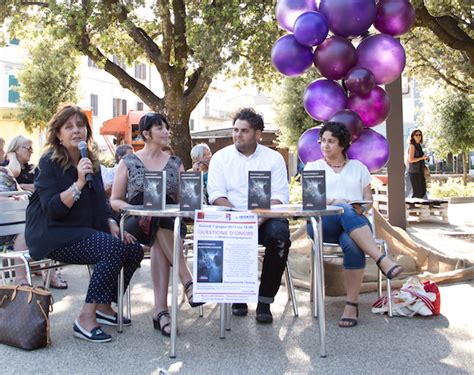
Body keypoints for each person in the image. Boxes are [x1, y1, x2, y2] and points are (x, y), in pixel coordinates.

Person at [25, 105, 144, 343]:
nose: (76, 131)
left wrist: (110, 221)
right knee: (111, 249)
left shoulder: (90, 160)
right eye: (68, 127)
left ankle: (103, 306)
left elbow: (99, 202)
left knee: (132, 249)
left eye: (80, 125)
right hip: (52, 233)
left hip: (81, 231)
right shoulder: (49, 162)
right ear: (58, 134)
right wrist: (79, 183)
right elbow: (53, 210)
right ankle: (85, 319)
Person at [110, 112, 202, 338]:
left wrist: (193, 198)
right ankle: (188, 281)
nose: (166, 132)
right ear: (146, 134)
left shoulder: (175, 162)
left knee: (160, 226)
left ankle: (161, 312)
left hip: (169, 220)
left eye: (167, 128)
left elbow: (183, 200)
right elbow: (115, 200)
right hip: (135, 219)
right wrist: (138, 210)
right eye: (160, 128)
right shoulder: (128, 161)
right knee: (156, 219)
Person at [304, 121, 403, 328]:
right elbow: (312, 202)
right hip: (324, 224)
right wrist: (339, 203)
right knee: (344, 208)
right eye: (322, 141)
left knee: (351, 242)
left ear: (343, 144)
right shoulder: (313, 167)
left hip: (354, 226)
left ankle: (351, 304)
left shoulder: (359, 168)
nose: (325, 145)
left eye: (331, 141)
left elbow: (368, 201)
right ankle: (380, 258)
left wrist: (358, 206)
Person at [207, 108, 291, 324]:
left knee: (280, 235)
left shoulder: (273, 158)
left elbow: (280, 197)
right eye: (235, 130)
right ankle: (237, 296)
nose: (238, 135)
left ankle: (265, 300)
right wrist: (240, 219)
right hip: (232, 217)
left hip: (266, 217)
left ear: (258, 134)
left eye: (244, 131)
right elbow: (216, 194)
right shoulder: (220, 157)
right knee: (226, 233)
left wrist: (257, 219)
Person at [2, 136, 68, 289]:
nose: (31, 151)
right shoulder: (6, 166)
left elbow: (40, 189)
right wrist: (12, 157)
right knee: (29, 228)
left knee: (41, 226)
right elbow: (15, 173)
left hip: (29, 216)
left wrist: (22, 186)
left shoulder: (33, 168)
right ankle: (24, 278)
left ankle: (49, 273)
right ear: (15, 149)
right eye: (27, 148)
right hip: (11, 219)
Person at [406, 129, 429, 199]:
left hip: (420, 171)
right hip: (414, 172)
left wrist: (424, 159)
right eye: (416, 135)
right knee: (417, 193)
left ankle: (419, 208)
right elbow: (410, 159)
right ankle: (414, 209)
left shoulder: (419, 145)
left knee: (422, 191)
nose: (418, 136)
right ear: (413, 136)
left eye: (420, 135)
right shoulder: (412, 146)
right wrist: (422, 158)